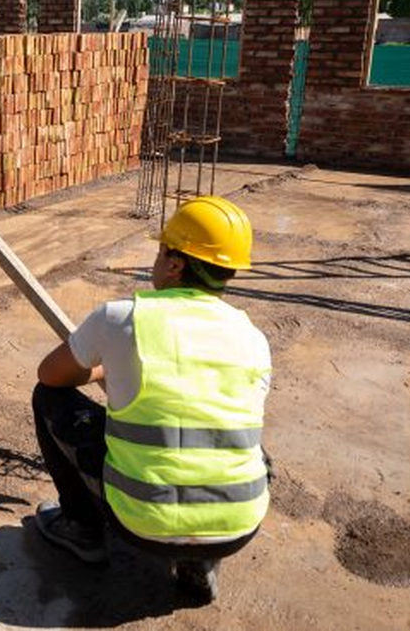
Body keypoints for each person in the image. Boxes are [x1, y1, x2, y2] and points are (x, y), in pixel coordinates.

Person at [31, 195, 271, 604]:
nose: (157, 259)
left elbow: (50, 375)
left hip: (140, 519)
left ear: (176, 264)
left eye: (161, 251)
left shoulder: (121, 318)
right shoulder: (253, 338)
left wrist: (106, 367)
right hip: (238, 524)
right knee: (233, 437)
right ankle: (200, 560)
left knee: (47, 398)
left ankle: (82, 528)